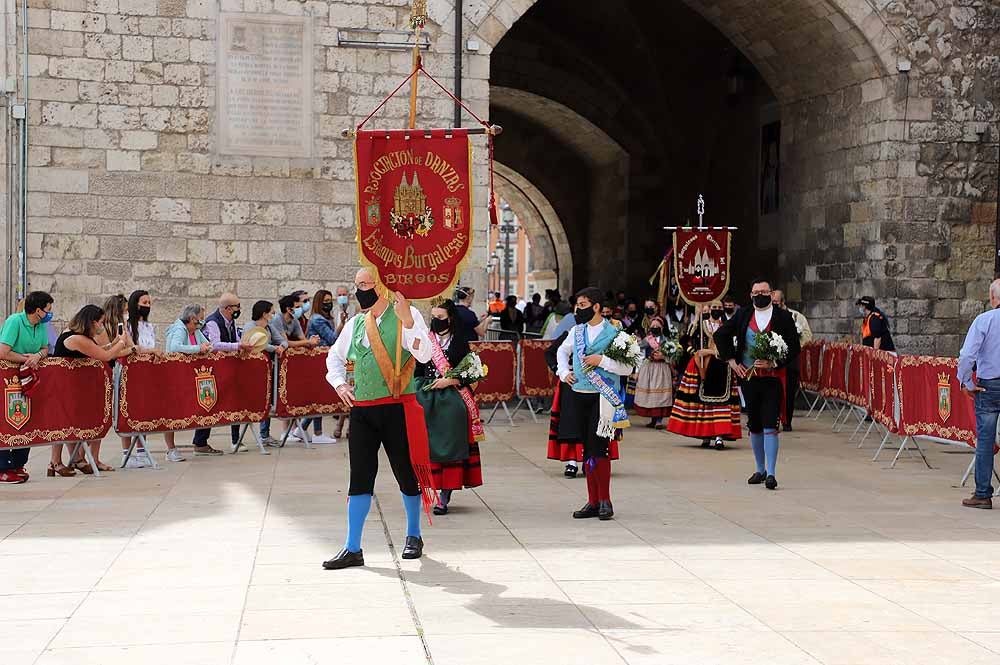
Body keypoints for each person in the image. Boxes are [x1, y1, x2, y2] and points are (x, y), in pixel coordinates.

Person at [322, 269, 434, 570]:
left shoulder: (407, 316)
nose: (360, 291)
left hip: (398, 408)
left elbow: (425, 357)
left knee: (405, 473)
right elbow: (333, 357)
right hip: (363, 410)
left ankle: (414, 535)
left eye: (365, 285)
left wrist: (409, 321)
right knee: (359, 476)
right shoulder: (357, 323)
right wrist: (340, 384)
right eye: (357, 285)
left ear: (381, 286)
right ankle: (352, 547)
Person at [555, 287, 634, 520]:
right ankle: (592, 500)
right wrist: (563, 372)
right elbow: (561, 351)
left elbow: (628, 367)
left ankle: (605, 500)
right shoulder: (576, 331)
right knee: (587, 449)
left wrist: (603, 361)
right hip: (579, 394)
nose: (578, 310)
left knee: (600, 448)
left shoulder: (615, 333)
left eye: (582, 305)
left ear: (596, 307)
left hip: (603, 397)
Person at [715, 278, 800, 490]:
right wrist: (732, 361)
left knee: (771, 422)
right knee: (754, 423)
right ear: (750, 295)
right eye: (755, 292)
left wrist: (775, 361)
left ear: (771, 294)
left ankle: (771, 473)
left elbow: (794, 347)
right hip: (749, 378)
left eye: (763, 291)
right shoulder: (743, 314)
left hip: (772, 378)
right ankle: (759, 469)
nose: (759, 295)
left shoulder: (783, 317)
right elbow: (721, 335)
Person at [415, 300, 484, 515]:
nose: (436, 321)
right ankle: (426, 487)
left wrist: (452, 381)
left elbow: (472, 371)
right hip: (426, 393)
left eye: (441, 318)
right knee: (424, 443)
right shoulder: (426, 339)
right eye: (433, 317)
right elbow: (417, 368)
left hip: (452, 397)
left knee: (450, 441)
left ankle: (445, 493)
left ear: (451, 318)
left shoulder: (461, 341)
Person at [50, 304, 136, 476]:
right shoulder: (75, 338)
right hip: (65, 386)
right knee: (62, 423)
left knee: (69, 423)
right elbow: (106, 356)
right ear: (91, 322)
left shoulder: (81, 337)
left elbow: (99, 350)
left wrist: (115, 344)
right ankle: (55, 463)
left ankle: (75, 460)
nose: (101, 327)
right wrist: (121, 342)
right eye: (100, 323)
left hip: (76, 387)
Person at [123, 290, 185, 465]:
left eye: (149, 303)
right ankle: (126, 453)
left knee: (144, 412)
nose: (147, 306)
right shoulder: (127, 325)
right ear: (136, 304)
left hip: (148, 373)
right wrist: (152, 351)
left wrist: (155, 355)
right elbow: (134, 347)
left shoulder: (149, 326)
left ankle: (142, 451)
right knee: (131, 412)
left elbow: (149, 346)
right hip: (133, 373)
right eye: (144, 302)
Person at [667, 302, 741, 449]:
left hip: (722, 366)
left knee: (721, 401)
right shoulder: (701, 325)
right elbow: (685, 339)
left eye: (720, 308)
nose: (717, 310)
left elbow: (732, 346)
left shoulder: (726, 325)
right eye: (714, 308)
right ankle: (705, 435)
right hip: (702, 365)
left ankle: (719, 436)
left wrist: (711, 352)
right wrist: (696, 321)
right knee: (702, 401)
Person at [0, 291, 52, 483]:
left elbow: (45, 348)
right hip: (6, 380)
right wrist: (27, 359)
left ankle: (18, 463)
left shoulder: (40, 326)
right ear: (37, 310)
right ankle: (3, 466)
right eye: (47, 310)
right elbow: (3, 351)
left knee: (25, 420)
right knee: (5, 421)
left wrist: (38, 356)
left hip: (26, 378)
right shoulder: (15, 321)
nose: (49, 313)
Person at [193, 293, 254, 452]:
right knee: (210, 404)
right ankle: (200, 442)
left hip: (228, 367)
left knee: (234, 401)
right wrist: (238, 346)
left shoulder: (230, 320)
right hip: (214, 369)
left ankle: (236, 440)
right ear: (227, 309)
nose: (239, 309)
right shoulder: (213, 322)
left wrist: (241, 344)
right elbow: (215, 344)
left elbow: (233, 338)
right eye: (237, 307)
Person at [958, 279, 1000, 509]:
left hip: (990, 385)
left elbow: (967, 356)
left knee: (985, 440)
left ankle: (983, 493)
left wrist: (965, 380)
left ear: (993, 298)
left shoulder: (984, 320)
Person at [260, 294, 320, 445]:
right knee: (272, 397)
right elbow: (285, 342)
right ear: (289, 308)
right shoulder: (277, 320)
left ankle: (292, 430)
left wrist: (310, 343)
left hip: (290, 365)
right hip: (274, 363)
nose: (301, 308)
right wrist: (307, 342)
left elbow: (301, 339)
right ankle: (270, 433)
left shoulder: (295, 321)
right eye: (298, 306)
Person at [165, 304, 219, 455]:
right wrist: (198, 349)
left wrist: (206, 347)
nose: (203, 322)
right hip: (176, 376)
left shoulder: (195, 330)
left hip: (191, 376)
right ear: (192, 318)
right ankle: (171, 449)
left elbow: (206, 343)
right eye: (200, 319)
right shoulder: (179, 329)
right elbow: (175, 347)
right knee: (173, 412)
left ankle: (200, 442)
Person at [297, 289, 338, 444]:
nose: (329, 303)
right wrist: (343, 325)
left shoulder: (326, 318)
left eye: (330, 300)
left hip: (325, 359)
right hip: (317, 359)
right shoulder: (318, 320)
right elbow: (332, 338)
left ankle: (301, 428)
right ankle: (317, 433)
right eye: (326, 301)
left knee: (318, 395)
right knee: (318, 395)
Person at [772, 289, 812, 431]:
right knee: (773, 392)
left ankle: (787, 421)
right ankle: (773, 419)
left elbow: (807, 335)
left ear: (782, 302)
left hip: (790, 361)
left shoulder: (797, 317)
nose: (773, 304)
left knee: (789, 392)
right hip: (773, 361)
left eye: (776, 302)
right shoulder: (768, 316)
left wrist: (794, 347)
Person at [634, 315, 674, 428]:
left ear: (662, 327)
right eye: (653, 326)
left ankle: (659, 420)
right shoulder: (646, 340)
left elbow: (673, 356)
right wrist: (637, 371)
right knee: (650, 394)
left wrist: (664, 357)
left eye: (657, 326)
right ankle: (653, 419)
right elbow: (640, 355)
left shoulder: (667, 340)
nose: (655, 327)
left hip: (662, 368)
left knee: (661, 395)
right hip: (649, 368)